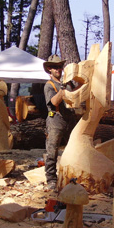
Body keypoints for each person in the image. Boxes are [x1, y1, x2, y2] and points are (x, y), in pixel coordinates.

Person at [43, 54, 77, 191]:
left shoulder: (68, 83)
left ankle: (71, 177)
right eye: (55, 67)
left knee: (73, 150)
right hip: (55, 119)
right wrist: (62, 90)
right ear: (49, 69)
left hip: (70, 119)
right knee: (52, 151)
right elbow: (54, 102)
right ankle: (51, 179)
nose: (58, 69)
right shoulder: (49, 86)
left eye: (60, 67)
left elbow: (75, 94)